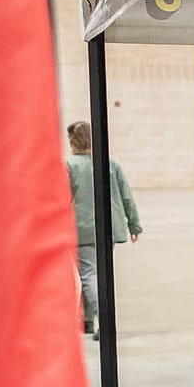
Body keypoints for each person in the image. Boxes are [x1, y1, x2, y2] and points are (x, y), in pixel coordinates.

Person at [67, 121, 140, 337]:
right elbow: (126, 195)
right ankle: (86, 321)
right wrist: (134, 224)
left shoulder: (69, 165)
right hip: (109, 228)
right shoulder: (110, 162)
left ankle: (104, 322)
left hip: (83, 229)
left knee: (88, 274)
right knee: (96, 274)